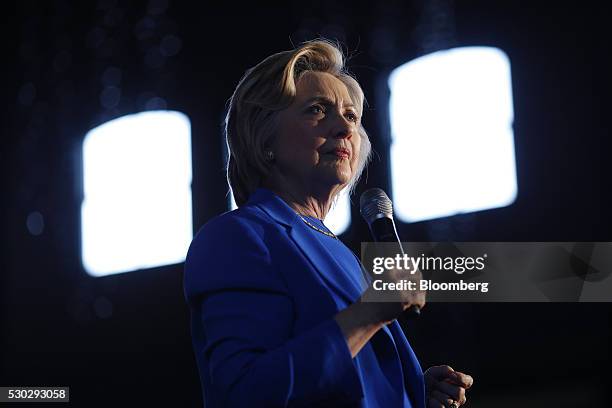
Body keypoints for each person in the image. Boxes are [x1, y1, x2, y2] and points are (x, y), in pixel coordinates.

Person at [184, 39, 473, 408]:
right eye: (317, 110)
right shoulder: (236, 237)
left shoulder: (338, 251)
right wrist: (370, 313)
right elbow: (246, 392)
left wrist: (407, 389)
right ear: (263, 136)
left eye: (351, 116)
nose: (344, 128)